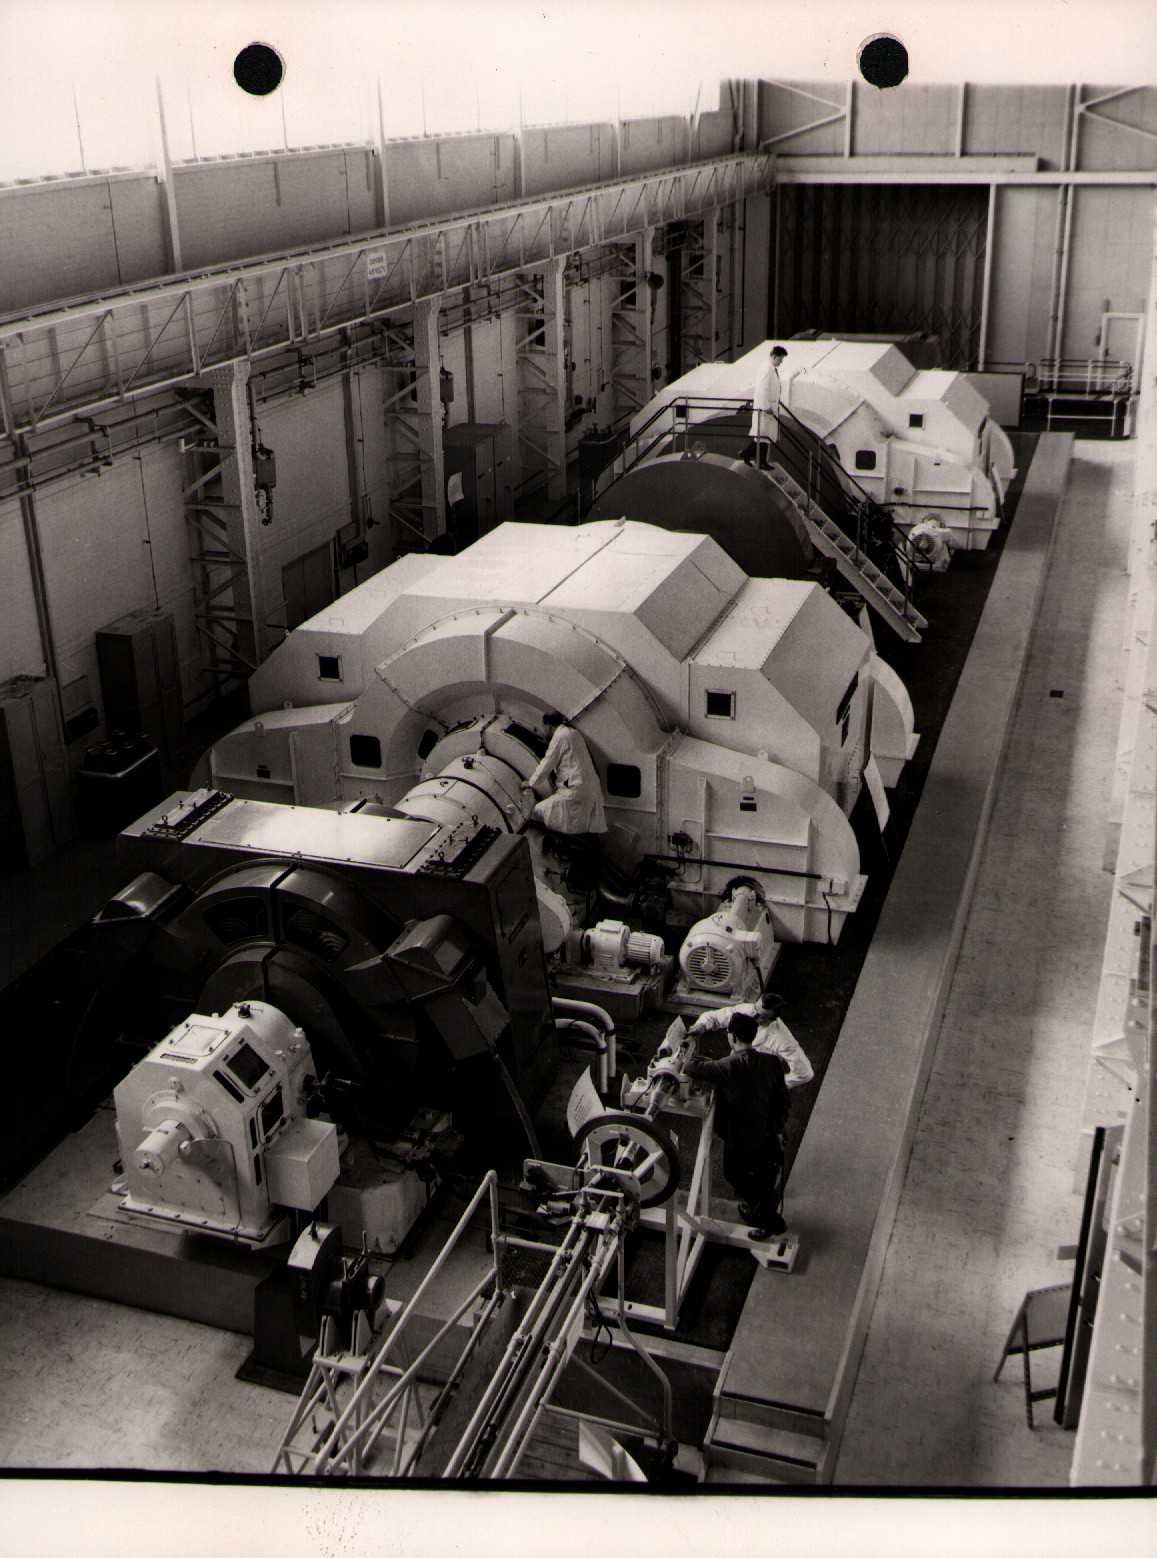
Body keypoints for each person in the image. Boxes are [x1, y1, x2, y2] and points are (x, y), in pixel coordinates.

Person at [682, 1010, 792, 1239]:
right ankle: (759, 1210)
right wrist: (779, 1129)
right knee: (765, 1176)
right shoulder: (771, 1062)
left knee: (734, 1174)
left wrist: (689, 1045)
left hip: (741, 1138)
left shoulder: (729, 1066)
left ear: (732, 1037)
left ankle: (769, 1222)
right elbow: (783, 1099)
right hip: (769, 1132)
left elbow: (691, 1067)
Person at [686, 991, 814, 1089]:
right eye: (755, 1009)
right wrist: (701, 1025)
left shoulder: (783, 1040)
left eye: (760, 1016)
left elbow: (805, 1074)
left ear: (772, 1020)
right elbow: (714, 1016)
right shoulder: (748, 1011)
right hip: (738, 1063)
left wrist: (772, 1085)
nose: (753, 1016)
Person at [523, 712, 608, 835]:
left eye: (543, 726)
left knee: (537, 811)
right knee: (580, 825)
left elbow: (547, 763)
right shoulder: (573, 733)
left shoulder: (559, 736)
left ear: (548, 725)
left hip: (575, 790)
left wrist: (531, 783)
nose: (542, 730)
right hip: (589, 788)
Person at [750, 344, 788, 468]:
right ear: (774, 356)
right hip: (765, 409)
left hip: (769, 408)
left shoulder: (771, 369)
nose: (781, 362)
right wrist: (766, 406)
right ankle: (759, 461)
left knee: (765, 436)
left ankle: (757, 459)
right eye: (780, 359)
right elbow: (762, 389)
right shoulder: (766, 369)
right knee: (763, 436)